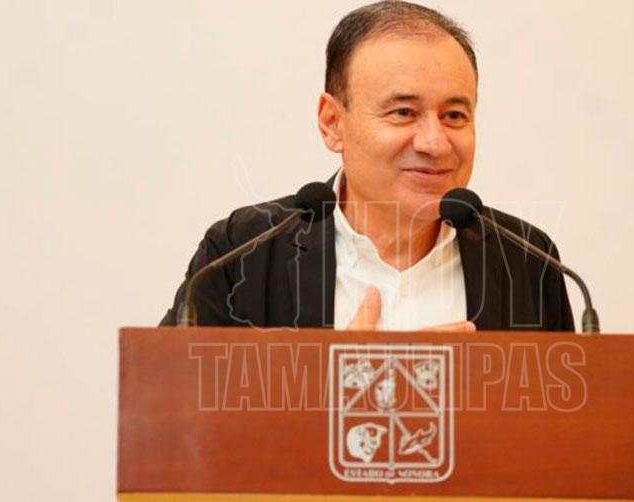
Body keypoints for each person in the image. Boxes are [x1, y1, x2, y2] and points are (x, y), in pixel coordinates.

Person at [160, 0, 574, 332]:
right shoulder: (240, 253)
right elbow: (166, 407)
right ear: (332, 123)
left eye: (454, 116)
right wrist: (341, 380)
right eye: (403, 112)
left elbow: (569, 410)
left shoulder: (528, 261)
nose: (434, 143)